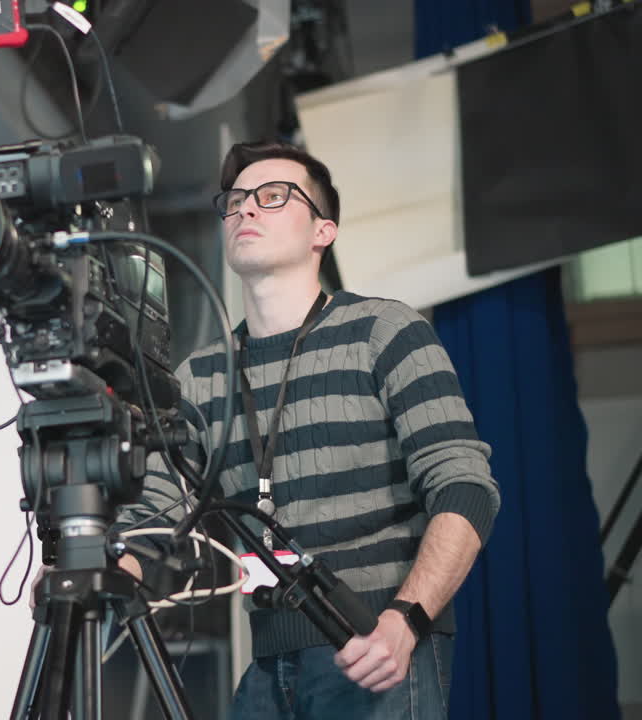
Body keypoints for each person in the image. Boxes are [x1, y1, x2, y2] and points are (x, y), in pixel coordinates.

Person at [110, 140, 501, 719]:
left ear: (324, 230)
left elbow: (466, 488)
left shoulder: (386, 331)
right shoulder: (199, 376)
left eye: (273, 197)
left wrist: (406, 619)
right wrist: (106, 567)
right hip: (268, 663)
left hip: (378, 648)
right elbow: (154, 519)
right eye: (237, 199)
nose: (246, 209)